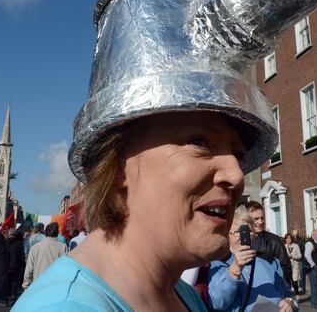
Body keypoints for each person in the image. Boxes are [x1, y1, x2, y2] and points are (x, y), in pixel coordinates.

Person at [13, 111, 253, 311]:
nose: (236, 175)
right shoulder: (66, 306)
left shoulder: (184, 296)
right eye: (198, 142)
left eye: (238, 155)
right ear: (118, 166)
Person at [206, 205, 297, 312]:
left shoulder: (269, 263)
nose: (244, 236)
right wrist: (236, 268)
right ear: (227, 235)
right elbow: (217, 303)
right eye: (237, 232)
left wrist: (290, 302)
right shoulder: (216, 265)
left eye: (248, 231)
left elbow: (290, 295)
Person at [246, 201, 292, 284]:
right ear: (247, 219)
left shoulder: (274, 240)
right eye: (256, 219)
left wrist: (282, 290)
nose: (261, 222)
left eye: (262, 218)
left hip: (272, 289)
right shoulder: (238, 239)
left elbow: (285, 267)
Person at [22, 222, 67, 289]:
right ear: (57, 233)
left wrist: (26, 285)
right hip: (55, 286)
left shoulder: (35, 247)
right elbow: (65, 269)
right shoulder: (63, 247)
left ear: (45, 232)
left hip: (38, 285)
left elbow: (29, 269)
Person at [5, 227, 26, 306]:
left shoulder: (4, 242)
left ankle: (5, 298)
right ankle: (12, 297)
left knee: (7, 281)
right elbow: (22, 256)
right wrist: (23, 265)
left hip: (5, 266)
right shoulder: (19, 243)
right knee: (14, 282)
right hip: (16, 266)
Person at [290, 229, 306, 294]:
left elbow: (302, 249)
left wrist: (296, 251)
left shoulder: (301, 241)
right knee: (294, 274)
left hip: (300, 259)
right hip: (293, 260)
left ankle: (302, 287)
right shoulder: (291, 241)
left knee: (301, 274)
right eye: (294, 234)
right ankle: (294, 287)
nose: (295, 235)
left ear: (298, 234)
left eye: (296, 234)